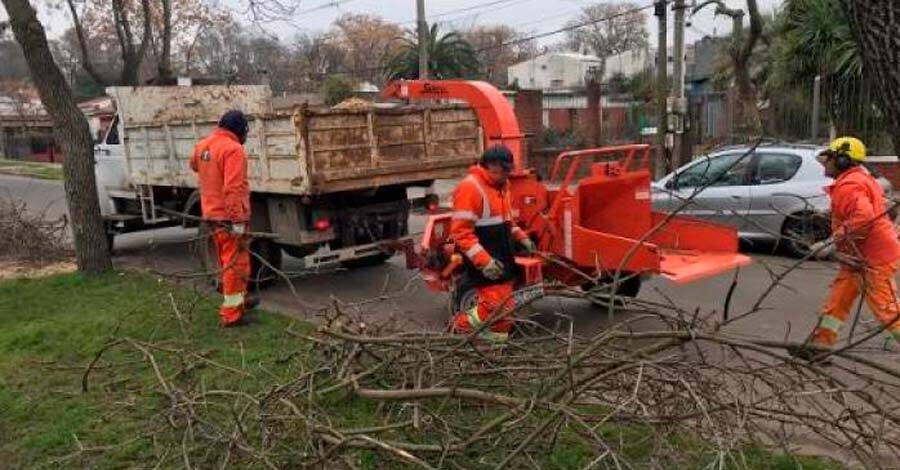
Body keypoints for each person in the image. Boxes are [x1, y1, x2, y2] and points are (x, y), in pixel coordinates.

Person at [790, 136, 900, 360]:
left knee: (887, 312)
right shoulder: (858, 179)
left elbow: (864, 217)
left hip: (873, 260)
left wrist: (831, 242)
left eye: (829, 158)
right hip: (858, 258)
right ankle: (820, 346)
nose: (825, 163)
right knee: (837, 303)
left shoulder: (849, 185)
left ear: (841, 160)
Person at [449, 144, 536, 342]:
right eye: (504, 171)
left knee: (505, 309)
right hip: (484, 259)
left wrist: (522, 238)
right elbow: (461, 233)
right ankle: (458, 327)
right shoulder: (471, 187)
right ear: (491, 166)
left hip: (502, 257)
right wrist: (484, 262)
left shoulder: (501, 187)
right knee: (496, 307)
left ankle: (493, 347)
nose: (508, 176)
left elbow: (507, 222)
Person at [190, 110, 254, 327]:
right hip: (228, 217)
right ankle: (231, 314)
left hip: (211, 214)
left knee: (227, 262)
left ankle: (239, 302)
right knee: (236, 265)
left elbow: (194, 165)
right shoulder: (233, 150)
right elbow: (233, 189)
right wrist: (237, 221)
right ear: (239, 130)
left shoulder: (203, 145)